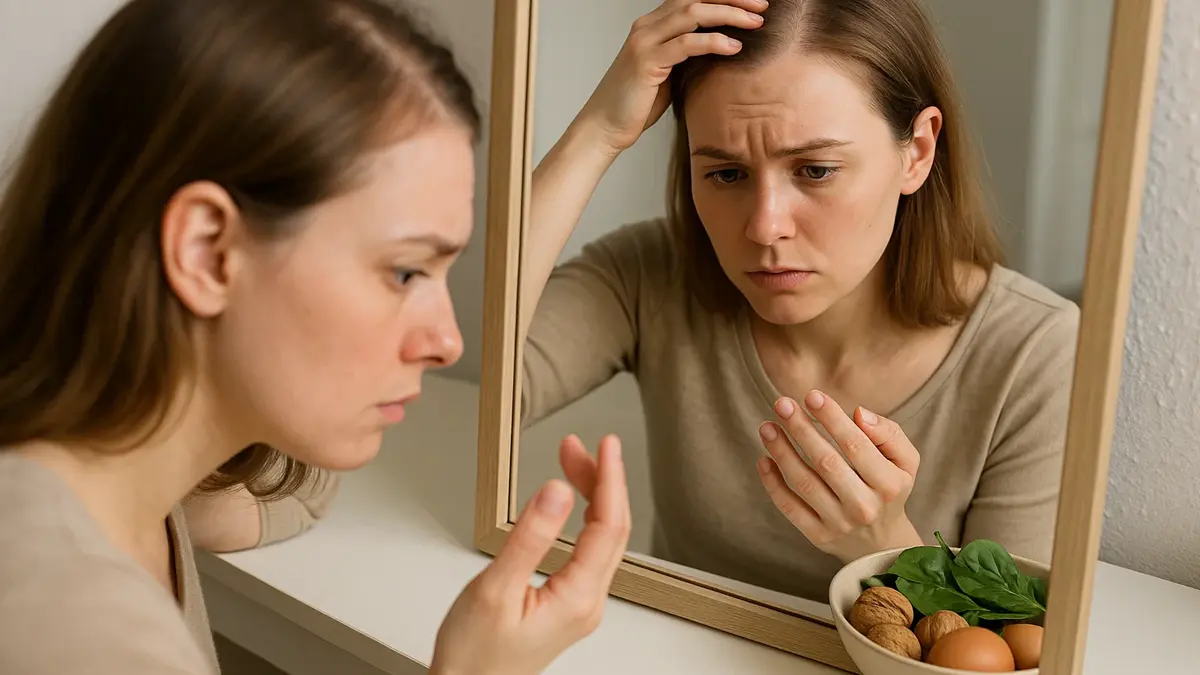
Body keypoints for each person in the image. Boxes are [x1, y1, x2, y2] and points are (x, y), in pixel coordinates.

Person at [0, 1, 630, 674]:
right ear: (208, 249)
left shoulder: (130, 485)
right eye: (405, 270)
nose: (448, 341)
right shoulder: (81, 631)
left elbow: (288, 486)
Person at [521, 0, 1079, 603]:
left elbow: (1004, 648)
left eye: (815, 170)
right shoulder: (648, 275)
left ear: (916, 152)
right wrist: (598, 133)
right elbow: (448, 362)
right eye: (726, 175)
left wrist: (884, 543)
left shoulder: (1033, 351)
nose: (765, 227)